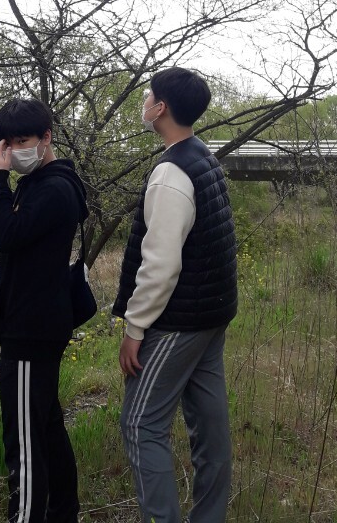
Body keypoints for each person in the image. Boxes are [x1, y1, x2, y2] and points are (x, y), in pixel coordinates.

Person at [0, 98, 87, 523]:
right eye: (6, 143)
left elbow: (8, 233)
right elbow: (1, 218)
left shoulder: (55, 188)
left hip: (31, 332)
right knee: (45, 430)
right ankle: (63, 514)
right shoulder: (39, 182)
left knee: (24, 444)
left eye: (22, 141)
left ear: (46, 137)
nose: (12, 151)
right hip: (37, 327)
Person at [112, 67, 237, 523]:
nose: (144, 103)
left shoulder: (171, 173)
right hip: (211, 316)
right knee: (210, 427)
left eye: (148, 96)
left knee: (140, 423)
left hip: (178, 322)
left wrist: (135, 328)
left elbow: (161, 265)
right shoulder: (202, 156)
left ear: (161, 108)